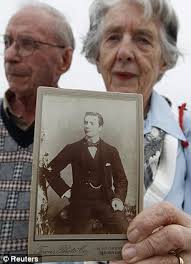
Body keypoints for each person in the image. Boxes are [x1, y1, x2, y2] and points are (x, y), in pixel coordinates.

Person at [82, 0, 191, 262]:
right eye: (113, 37)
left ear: (164, 59)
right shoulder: (60, 128)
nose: (125, 52)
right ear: (97, 56)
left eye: (142, 40)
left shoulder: (186, 129)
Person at [0, 2, 74, 258]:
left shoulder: (84, 129)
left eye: (27, 43)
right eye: (7, 41)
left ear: (64, 60)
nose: (10, 55)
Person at [44, 111, 128, 234]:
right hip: (80, 204)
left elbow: (121, 180)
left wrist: (118, 199)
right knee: (79, 241)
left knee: (125, 232)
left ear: (100, 127)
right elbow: (50, 171)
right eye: (85, 122)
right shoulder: (72, 148)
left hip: (106, 202)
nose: (87, 126)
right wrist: (65, 191)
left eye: (92, 123)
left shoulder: (111, 151)